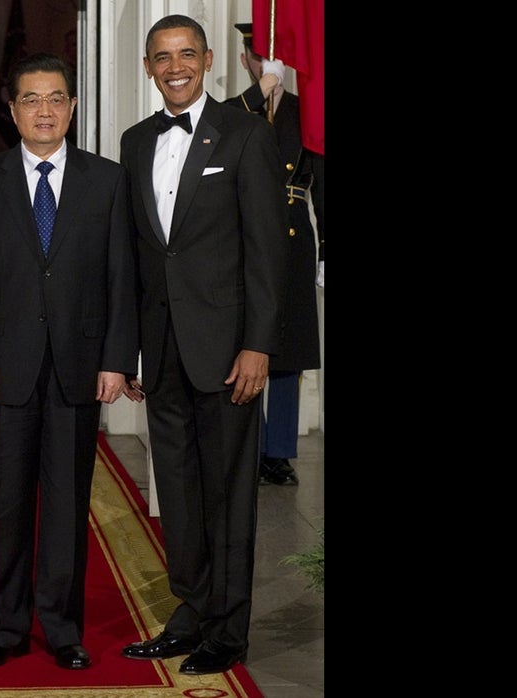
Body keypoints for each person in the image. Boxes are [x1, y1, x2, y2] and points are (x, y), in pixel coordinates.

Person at [0, 52, 138, 671]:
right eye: (31, 100)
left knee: (65, 504)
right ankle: (5, 628)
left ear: (73, 107)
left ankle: (61, 628)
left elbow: (121, 278)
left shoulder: (107, 181)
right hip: (2, 369)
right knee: (6, 505)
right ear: (12, 111)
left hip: (79, 368)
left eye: (56, 98)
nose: (45, 111)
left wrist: (116, 359)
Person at [117, 15, 288, 675]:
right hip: (160, 354)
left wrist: (258, 346)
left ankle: (229, 629)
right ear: (148, 67)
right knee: (181, 495)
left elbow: (268, 255)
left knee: (228, 495)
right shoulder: (135, 142)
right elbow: (134, 258)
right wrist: (128, 350)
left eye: (187, 54)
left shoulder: (247, 135)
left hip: (227, 354)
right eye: (163, 57)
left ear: (209, 59)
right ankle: (190, 613)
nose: (175, 66)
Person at [227, 22, 324, 487]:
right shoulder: (237, 111)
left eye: (273, 57)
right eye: (257, 57)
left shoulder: (307, 113)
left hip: (291, 239)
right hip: (237, 238)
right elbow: (212, 129)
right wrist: (258, 92)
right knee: (239, 345)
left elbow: (321, 182)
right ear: (247, 60)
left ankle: (278, 451)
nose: (264, 64)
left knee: (287, 351)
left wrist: (326, 250)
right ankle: (244, 446)